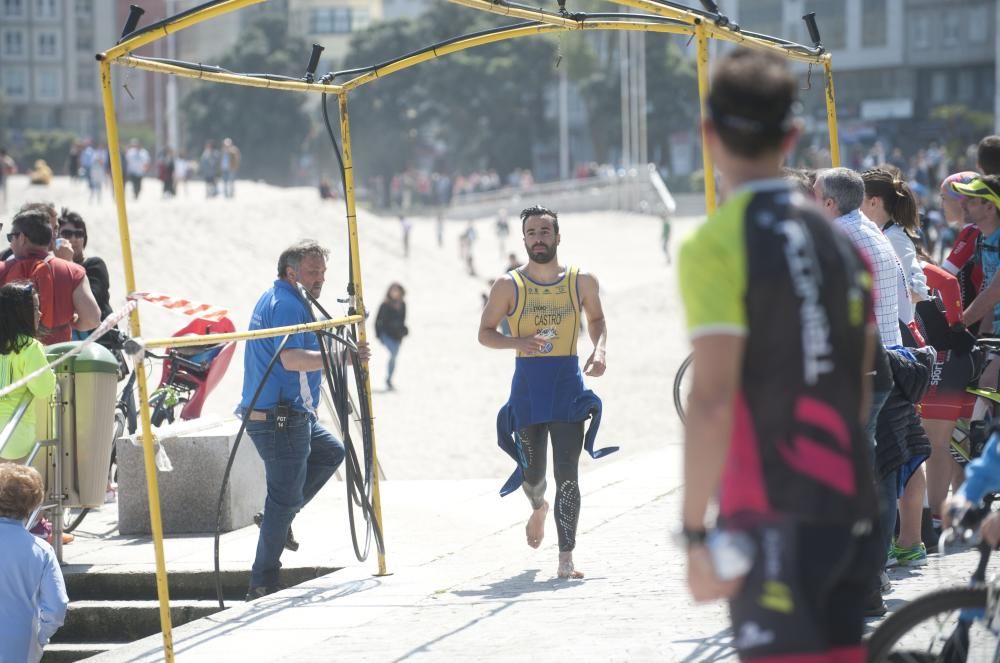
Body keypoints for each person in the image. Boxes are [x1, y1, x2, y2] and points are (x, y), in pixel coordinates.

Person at [678, 49, 879, 660]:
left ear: (708, 134)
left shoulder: (716, 243)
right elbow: (861, 380)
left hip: (771, 508)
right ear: (792, 136)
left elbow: (710, 400)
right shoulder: (844, 242)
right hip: (851, 502)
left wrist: (692, 535)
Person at [479, 204, 613, 580]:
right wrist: (520, 341)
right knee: (533, 474)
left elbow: (598, 320)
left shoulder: (580, 280)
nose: (539, 239)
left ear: (557, 236)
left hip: (568, 387)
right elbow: (485, 333)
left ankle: (566, 557)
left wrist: (599, 351)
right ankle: (538, 507)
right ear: (523, 239)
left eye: (545, 231)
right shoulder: (508, 285)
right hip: (527, 390)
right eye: (532, 233)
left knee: (567, 474)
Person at [239, 240, 369, 600]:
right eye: (313, 272)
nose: (320, 279)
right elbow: (292, 359)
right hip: (278, 417)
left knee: (330, 453)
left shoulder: (287, 299)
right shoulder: (285, 305)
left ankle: (277, 524)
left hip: (292, 412)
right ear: (291, 272)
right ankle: (262, 580)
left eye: (323, 272)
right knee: (282, 498)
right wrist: (344, 357)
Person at [0, 208, 101, 345]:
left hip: (10, 359)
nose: (10, 243)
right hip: (57, 357)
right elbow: (92, 319)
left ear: (22, 238)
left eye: (11, 237)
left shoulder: (2, 270)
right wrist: (70, 321)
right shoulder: (73, 271)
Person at [0, 464, 69, 662]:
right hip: (18, 643)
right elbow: (57, 607)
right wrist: (40, 636)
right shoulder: (41, 550)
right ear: (33, 504)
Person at [0, 282, 57, 461]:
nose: (40, 314)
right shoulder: (29, 347)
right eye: (35, 309)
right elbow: (44, 389)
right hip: (13, 436)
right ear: (20, 314)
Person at [58, 209, 113, 326]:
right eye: (67, 234)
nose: (73, 239)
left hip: (98, 339)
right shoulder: (48, 268)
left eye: (79, 234)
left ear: (84, 239)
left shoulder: (95, 265)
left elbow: (90, 303)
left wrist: (68, 263)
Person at [375, 283, 407, 390]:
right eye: (393, 290)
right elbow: (377, 321)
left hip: (397, 336)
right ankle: (387, 379)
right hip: (386, 335)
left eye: (397, 290)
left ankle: (389, 379)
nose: (395, 293)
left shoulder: (402, 304)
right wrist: (379, 335)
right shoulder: (385, 304)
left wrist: (403, 331)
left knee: (394, 357)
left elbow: (402, 320)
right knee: (393, 353)